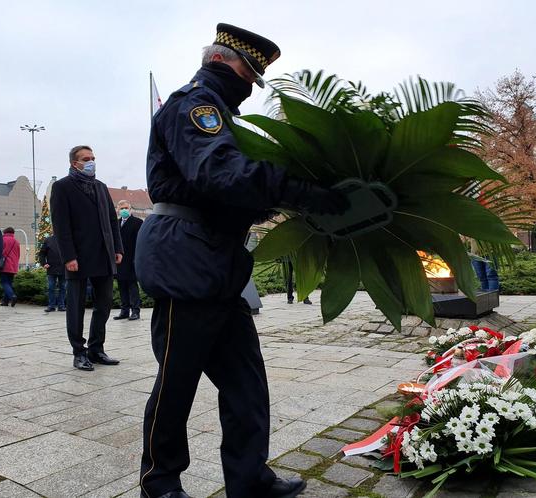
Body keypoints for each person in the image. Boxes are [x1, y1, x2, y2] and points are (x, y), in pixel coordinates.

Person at [135, 24, 350, 498]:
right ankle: (159, 482)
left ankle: (250, 479)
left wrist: (301, 200)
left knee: (246, 384)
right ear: (224, 62)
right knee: (177, 382)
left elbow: (237, 191)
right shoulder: (194, 106)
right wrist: (297, 189)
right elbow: (218, 174)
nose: (252, 87)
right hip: (185, 257)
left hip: (216, 260)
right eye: (251, 74)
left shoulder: (222, 115)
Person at [50, 145, 124, 371]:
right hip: (78, 257)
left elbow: (112, 221)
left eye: (93, 158)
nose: (91, 161)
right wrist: (68, 256)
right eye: (86, 158)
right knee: (76, 307)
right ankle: (78, 352)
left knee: (104, 304)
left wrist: (117, 248)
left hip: (103, 254)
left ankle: (96, 348)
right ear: (75, 163)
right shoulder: (62, 187)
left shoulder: (100, 187)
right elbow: (61, 225)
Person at [114, 200, 143, 321]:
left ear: (130, 209)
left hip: (132, 259)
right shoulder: (116, 223)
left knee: (132, 286)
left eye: (126, 208)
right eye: (122, 208)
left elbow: (140, 241)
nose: (124, 210)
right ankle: (124, 310)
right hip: (119, 260)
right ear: (118, 210)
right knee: (122, 286)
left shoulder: (137, 222)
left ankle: (135, 311)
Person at [38, 233, 66, 312]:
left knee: (63, 287)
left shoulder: (65, 239)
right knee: (51, 287)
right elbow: (42, 253)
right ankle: (51, 306)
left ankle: (61, 305)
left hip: (63, 268)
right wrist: (43, 263)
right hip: (51, 268)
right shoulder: (48, 240)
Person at [0, 227, 20, 307]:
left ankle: (12, 296)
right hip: (13, 265)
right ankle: (5, 301)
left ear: (4, 232)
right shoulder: (16, 242)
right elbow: (18, 254)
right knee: (9, 283)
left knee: (4, 282)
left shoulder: (2, 240)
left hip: (3, 265)